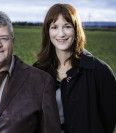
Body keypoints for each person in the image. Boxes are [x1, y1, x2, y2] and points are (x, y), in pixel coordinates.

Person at [33, 3, 116, 133]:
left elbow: (108, 121)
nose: (61, 34)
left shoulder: (100, 72)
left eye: (67, 26)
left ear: (76, 30)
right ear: (47, 32)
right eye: (54, 27)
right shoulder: (37, 71)